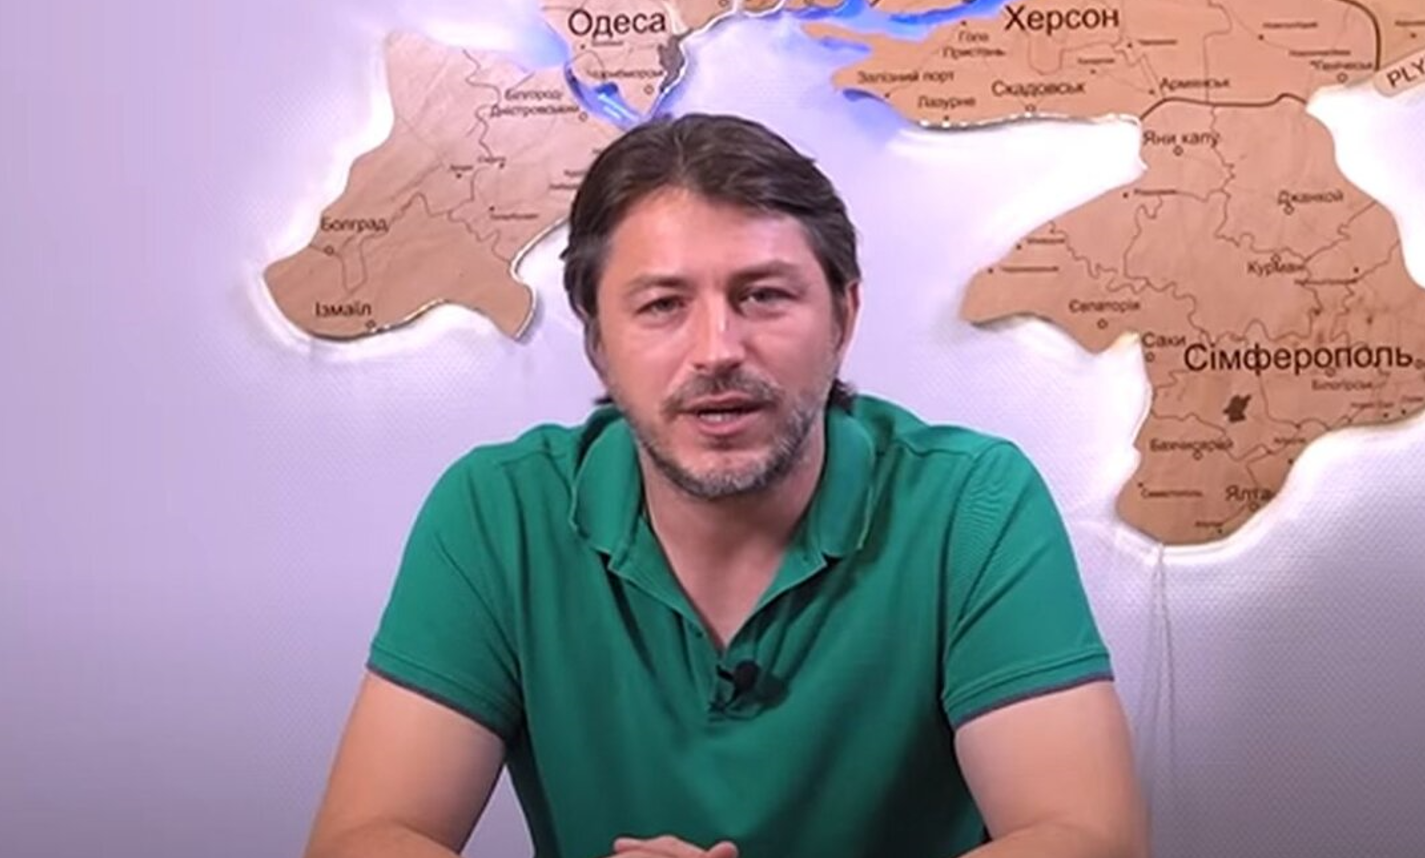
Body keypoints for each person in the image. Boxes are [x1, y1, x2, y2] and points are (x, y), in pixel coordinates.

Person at [303, 113, 1149, 858]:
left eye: (763, 296)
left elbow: (1087, 838)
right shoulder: (497, 513)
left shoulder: (973, 505)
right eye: (661, 305)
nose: (716, 350)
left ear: (843, 317)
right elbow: (362, 838)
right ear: (598, 343)